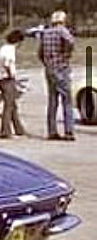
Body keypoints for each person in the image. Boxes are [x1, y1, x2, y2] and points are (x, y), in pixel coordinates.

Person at [38, 10, 76, 141]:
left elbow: (40, 53)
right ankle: (69, 131)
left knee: (52, 101)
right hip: (62, 69)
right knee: (67, 101)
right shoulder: (62, 31)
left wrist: (47, 63)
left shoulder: (46, 33)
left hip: (49, 70)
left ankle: (52, 131)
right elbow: (71, 42)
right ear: (63, 20)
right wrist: (66, 56)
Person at [0, 29, 26, 138]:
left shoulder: (3, 48)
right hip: (7, 79)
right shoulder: (10, 50)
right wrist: (11, 75)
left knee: (13, 105)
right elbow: (7, 64)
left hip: (1, 79)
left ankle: (19, 129)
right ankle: (5, 130)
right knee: (8, 106)